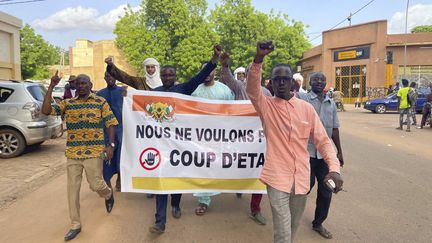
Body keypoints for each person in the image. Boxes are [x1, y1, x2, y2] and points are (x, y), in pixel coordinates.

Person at [246, 40, 343, 243]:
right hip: (277, 178)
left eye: (285, 79)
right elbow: (252, 88)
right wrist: (259, 58)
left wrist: (334, 168)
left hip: (301, 179)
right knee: (282, 231)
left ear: (293, 83)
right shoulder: (266, 106)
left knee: (292, 228)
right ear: (270, 84)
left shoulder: (305, 108)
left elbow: (323, 141)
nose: (281, 82)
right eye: (276, 79)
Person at [149, 44, 222, 234]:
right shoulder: (153, 93)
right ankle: (160, 222)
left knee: (176, 178)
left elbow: (200, 76)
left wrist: (214, 59)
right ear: (161, 76)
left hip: (179, 144)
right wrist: (127, 96)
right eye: (164, 75)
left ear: (175, 76)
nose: (167, 78)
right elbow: (138, 105)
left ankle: (176, 204)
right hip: (160, 144)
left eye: (170, 75)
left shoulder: (184, 88)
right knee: (161, 181)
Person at [42, 72, 118, 241]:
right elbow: (46, 110)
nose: (81, 86)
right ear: (75, 86)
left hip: (94, 150)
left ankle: (107, 194)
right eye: (78, 83)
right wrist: (51, 86)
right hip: (73, 152)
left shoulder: (100, 102)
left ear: (90, 86)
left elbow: (111, 123)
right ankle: (75, 224)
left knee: (96, 184)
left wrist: (110, 145)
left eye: (84, 83)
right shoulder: (67, 103)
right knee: (72, 189)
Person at [219, 52, 271, 225]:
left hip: (259, 140)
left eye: (254, 71)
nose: (251, 74)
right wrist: (225, 66)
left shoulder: (266, 92)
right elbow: (227, 78)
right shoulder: (240, 86)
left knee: (258, 169)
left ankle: (255, 209)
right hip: (239, 137)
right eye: (249, 72)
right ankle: (239, 186)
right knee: (237, 163)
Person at [298, 72, 344, 239]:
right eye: (316, 79)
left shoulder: (330, 103)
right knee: (304, 187)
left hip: (324, 155)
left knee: (327, 190)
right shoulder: (302, 99)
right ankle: (291, 216)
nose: (319, 82)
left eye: (322, 80)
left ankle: (318, 223)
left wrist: (339, 152)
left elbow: (335, 129)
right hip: (307, 153)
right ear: (310, 82)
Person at [191, 63, 234, 216]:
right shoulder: (194, 90)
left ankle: (234, 185)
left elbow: (234, 109)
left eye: (210, 70)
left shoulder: (224, 90)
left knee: (220, 164)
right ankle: (204, 199)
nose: (207, 73)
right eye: (205, 70)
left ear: (215, 71)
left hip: (220, 136)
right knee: (203, 166)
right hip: (200, 136)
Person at [96, 72, 124, 192]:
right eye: (108, 76)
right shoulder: (100, 94)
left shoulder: (123, 92)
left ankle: (120, 179)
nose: (110, 78)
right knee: (104, 157)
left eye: (113, 76)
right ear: (105, 78)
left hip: (121, 130)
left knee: (121, 157)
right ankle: (107, 182)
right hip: (105, 132)